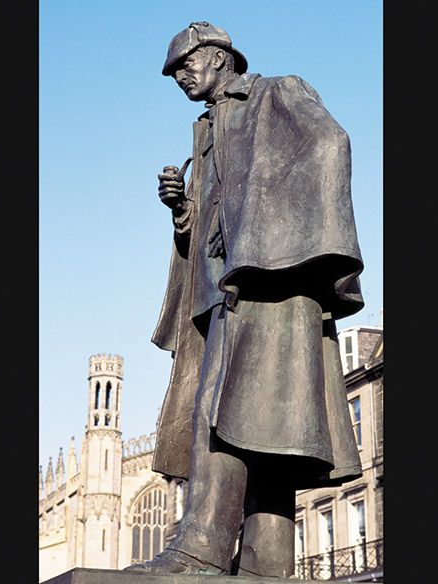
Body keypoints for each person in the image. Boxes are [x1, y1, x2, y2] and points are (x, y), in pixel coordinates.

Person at [125, 22, 366, 578]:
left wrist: (257, 228)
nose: (181, 77)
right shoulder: (209, 129)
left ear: (218, 57)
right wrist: (184, 211)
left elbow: (330, 145)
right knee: (266, 428)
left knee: (219, 414)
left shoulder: (276, 94)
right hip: (219, 294)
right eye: (174, 73)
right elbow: (208, 225)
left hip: (266, 287)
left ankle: (199, 548)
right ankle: (266, 564)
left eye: (186, 65)